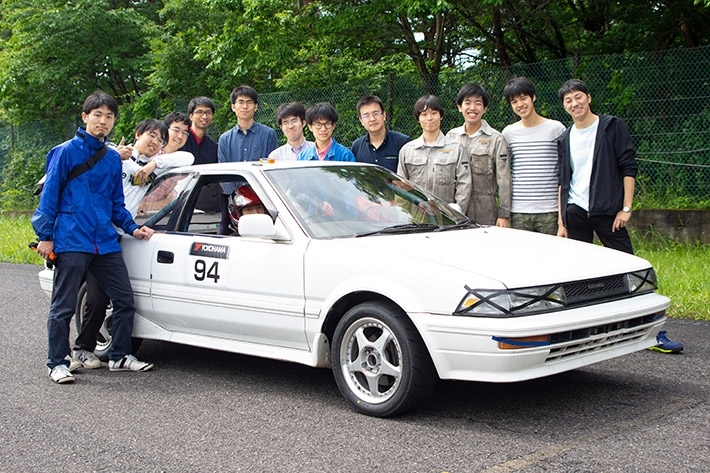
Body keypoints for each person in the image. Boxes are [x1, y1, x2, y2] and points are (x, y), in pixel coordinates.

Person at [32, 91, 155, 384]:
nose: (103, 121)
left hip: (104, 238)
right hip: (72, 237)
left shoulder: (112, 158)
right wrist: (45, 236)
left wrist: (132, 227)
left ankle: (120, 356)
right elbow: (49, 198)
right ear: (85, 117)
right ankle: (57, 362)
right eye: (97, 115)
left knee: (124, 299)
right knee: (63, 305)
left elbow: (116, 203)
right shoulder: (64, 152)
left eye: (109, 116)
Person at [556, 78, 684, 354]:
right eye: (568, 100)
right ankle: (586, 334)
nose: (574, 103)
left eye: (578, 97)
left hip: (608, 211)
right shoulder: (565, 137)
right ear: (564, 106)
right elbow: (563, 180)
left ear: (588, 97)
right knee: (577, 275)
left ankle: (654, 333)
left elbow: (628, 166)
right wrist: (561, 221)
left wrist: (626, 208)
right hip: (575, 212)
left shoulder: (611, 126)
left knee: (632, 270)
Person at [72, 118, 194, 371]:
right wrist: (117, 154)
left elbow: (188, 159)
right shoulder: (116, 156)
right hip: (91, 234)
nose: (154, 142)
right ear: (137, 134)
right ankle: (80, 350)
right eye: (150, 135)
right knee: (92, 300)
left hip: (116, 236)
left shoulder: (153, 168)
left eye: (160, 140)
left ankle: (119, 355)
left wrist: (154, 163)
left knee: (123, 299)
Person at [502, 77, 566, 234]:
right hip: (519, 210)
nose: (520, 105)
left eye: (523, 98)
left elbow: (565, 172)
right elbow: (503, 170)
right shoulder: (508, 133)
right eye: (514, 102)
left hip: (550, 210)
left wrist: (561, 219)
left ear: (533, 97)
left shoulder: (556, 128)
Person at [447, 83, 511, 226]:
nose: (472, 108)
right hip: (456, 210)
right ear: (459, 107)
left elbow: (504, 179)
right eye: (467, 103)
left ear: (485, 108)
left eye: (478, 103)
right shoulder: (451, 136)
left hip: (486, 211)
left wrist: (504, 214)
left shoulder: (496, 138)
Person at [397, 95, 471, 213]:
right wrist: (405, 213)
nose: (429, 118)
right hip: (415, 216)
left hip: (447, 216)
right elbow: (401, 187)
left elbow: (464, 185)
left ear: (441, 116)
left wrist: (457, 213)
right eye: (424, 114)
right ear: (418, 118)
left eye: (434, 113)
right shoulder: (407, 150)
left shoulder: (456, 148)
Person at [218, 85, 279, 163]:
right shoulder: (225, 139)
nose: (245, 106)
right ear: (233, 107)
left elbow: (272, 165)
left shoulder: (268, 134)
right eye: (241, 102)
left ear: (255, 107)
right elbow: (224, 170)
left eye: (249, 102)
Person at [351, 95, 411, 172]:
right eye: (366, 116)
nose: (372, 119)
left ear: (384, 115)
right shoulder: (356, 147)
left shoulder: (403, 143)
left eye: (376, 113)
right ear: (361, 121)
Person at [180, 96, 218, 166]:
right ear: (191, 116)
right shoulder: (181, 140)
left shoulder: (213, 147)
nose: (204, 116)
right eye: (199, 112)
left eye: (208, 112)